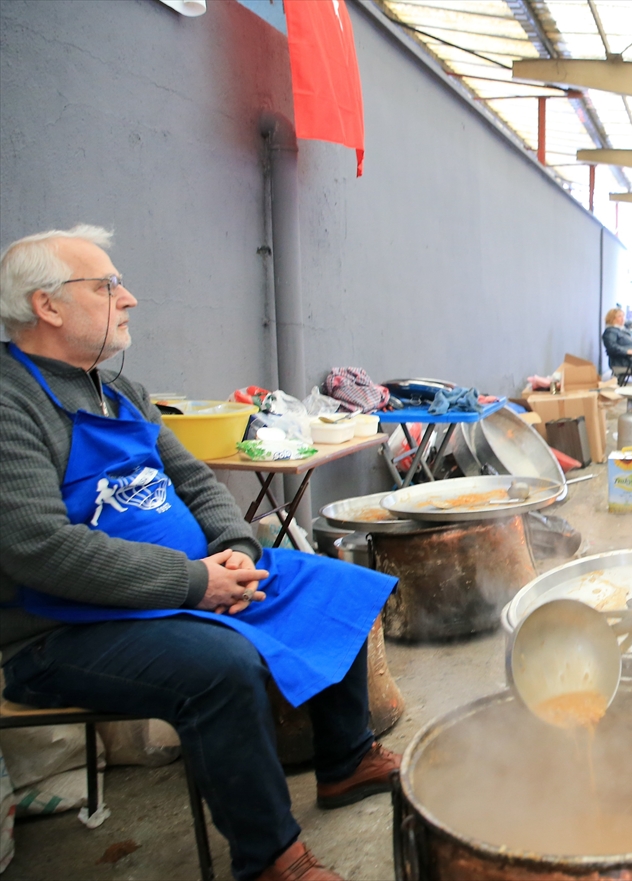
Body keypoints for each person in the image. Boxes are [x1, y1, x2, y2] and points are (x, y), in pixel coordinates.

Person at [0, 226, 402, 881]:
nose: (127, 298)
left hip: (188, 584)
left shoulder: (119, 392)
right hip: (63, 628)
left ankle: (345, 758)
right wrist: (192, 582)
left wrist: (236, 552)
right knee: (223, 666)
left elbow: (193, 479)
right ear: (46, 305)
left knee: (338, 585)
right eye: (106, 285)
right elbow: (38, 549)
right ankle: (272, 858)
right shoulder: (9, 400)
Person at [602, 307, 632, 371]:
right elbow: (611, 347)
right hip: (622, 363)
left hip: (630, 361)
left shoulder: (620, 330)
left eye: (623, 316)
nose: (623, 319)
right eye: (619, 316)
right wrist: (627, 351)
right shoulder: (610, 331)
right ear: (612, 319)